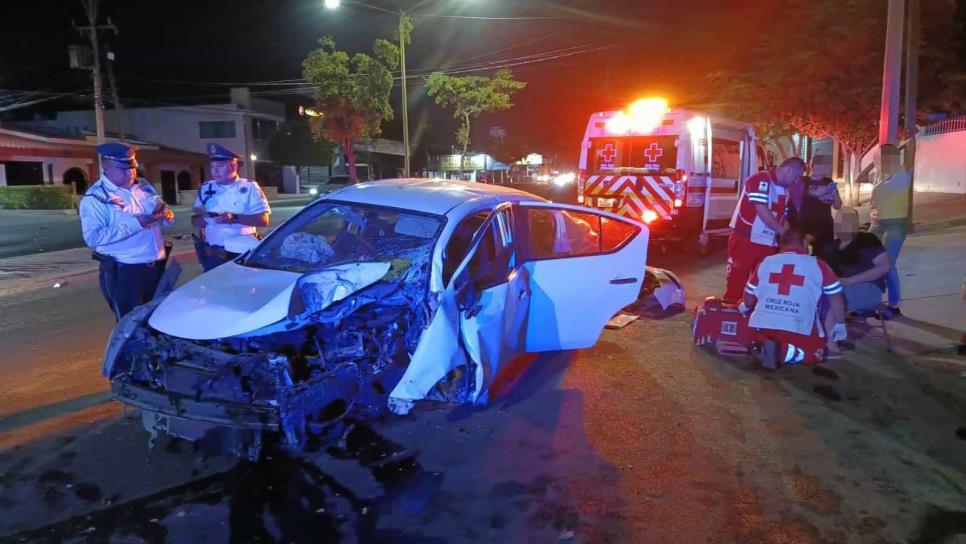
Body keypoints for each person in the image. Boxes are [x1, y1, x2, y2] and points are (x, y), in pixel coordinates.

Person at [80, 142, 175, 321]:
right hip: (126, 272)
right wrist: (137, 223)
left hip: (156, 266)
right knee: (132, 326)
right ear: (106, 167)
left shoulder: (143, 187)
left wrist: (166, 215)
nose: (129, 173)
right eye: (123, 169)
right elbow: (93, 237)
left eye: (131, 168)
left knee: (161, 321)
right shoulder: (96, 198)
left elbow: (161, 211)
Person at [743, 228, 846, 368]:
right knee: (816, 353)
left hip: (762, 326)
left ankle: (762, 347)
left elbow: (748, 301)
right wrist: (840, 324)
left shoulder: (765, 262)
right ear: (804, 243)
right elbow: (836, 297)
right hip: (799, 327)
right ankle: (783, 353)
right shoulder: (818, 265)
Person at [723, 157, 806, 302]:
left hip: (768, 243)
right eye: (796, 176)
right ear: (788, 170)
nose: (795, 181)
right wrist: (781, 231)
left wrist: (793, 239)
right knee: (737, 281)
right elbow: (761, 210)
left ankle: (751, 314)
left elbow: (781, 216)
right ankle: (729, 314)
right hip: (746, 240)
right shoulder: (760, 179)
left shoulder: (785, 190)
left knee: (761, 282)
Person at [192, 143, 271, 271]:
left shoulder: (250, 187)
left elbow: (263, 220)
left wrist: (234, 218)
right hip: (212, 255)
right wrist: (204, 218)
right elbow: (195, 220)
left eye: (220, 166)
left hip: (240, 254)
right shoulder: (206, 187)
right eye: (212, 166)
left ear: (233, 166)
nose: (215, 171)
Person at [821, 209, 892, 315]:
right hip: (837, 287)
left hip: (867, 287)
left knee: (826, 302)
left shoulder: (867, 240)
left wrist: (849, 281)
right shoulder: (830, 246)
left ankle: (837, 328)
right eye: (838, 223)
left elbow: (885, 266)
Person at [868, 144, 910, 315]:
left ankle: (893, 305)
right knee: (868, 261)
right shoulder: (876, 174)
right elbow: (859, 177)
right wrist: (874, 163)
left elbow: (910, 151)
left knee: (888, 265)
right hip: (875, 223)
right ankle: (870, 300)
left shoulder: (902, 173)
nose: (875, 160)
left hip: (895, 224)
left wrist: (905, 143)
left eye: (878, 157)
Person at [787, 175, 842, 258]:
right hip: (805, 224)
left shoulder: (829, 182)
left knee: (824, 255)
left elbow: (837, 205)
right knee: (802, 255)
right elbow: (795, 202)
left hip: (825, 224)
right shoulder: (803, 181)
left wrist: (833, 193)